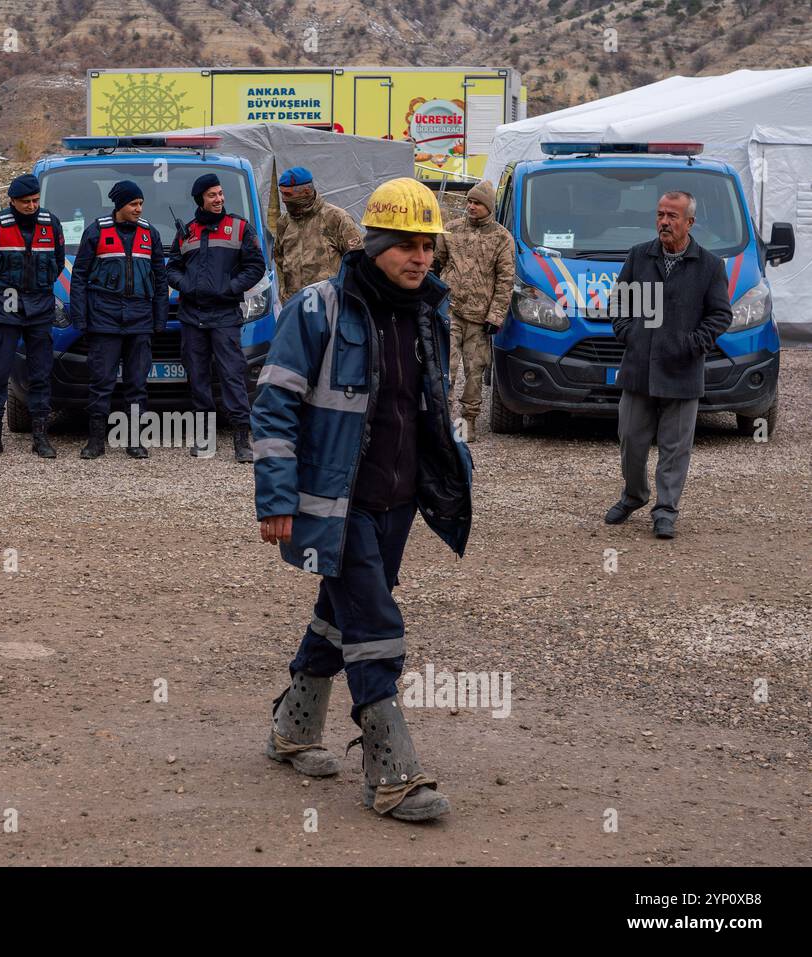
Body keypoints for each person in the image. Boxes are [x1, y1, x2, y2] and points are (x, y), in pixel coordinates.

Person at [253, 177, 472, 823]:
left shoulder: (431, 312)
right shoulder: (318, 309)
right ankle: (393, 774)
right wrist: (276, 498)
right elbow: (274, 406)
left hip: (398, 501)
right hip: (332, 504)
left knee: (341, 610)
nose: (419, 257)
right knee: (374, 623)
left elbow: (427, 407)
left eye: (427, 245)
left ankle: (292, 730)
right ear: (373, 242)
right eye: (405, 244)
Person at [604, 190, 732, 540]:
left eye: (672, 216)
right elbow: (619, 304)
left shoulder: (709, 266)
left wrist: (692, 345)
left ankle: (666, 511)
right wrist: (629, 334)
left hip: (682, 372)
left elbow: (720, 315)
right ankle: (634, 495)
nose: (664, 221)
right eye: (660, 214)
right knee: (631, 440)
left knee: (675, 449)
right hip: (638, 369)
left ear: (689, 222)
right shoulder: (639, 256)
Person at [167, 173, 266, 462]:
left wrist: (230, 288)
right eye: (212, 195)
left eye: (220, 194)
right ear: (200, 199)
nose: (219, 199)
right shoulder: (187, 232)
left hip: (224, 316)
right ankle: (204, 438)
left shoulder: (239, 228)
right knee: (197, 377)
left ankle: (241, 440)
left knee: (232, 376)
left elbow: (255, 266)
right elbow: (172, 268)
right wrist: (187, 285)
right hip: (192, 316)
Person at [69, 180, 167, 459]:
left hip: (139, 321)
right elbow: (79, 277)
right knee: (101, 382)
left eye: (140, 204)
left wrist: (159, 321)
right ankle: (96, 441)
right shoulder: (96, 231)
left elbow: (160, 281)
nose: (139, 209)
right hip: (104, 321)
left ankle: (135, 440)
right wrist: (81, 319)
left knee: (137, 384)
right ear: (119, 206)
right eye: (133, 204)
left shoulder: (150, 234)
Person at [0, 174, 63, 459]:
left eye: (36, 201)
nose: (32, 206)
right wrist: (5, 293)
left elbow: (58, 263)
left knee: (40, 373)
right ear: (12, 201)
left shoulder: (52, 225)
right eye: (26, 202)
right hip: (6, 310)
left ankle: (40, 437)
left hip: (39, 308)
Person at [433, 179, 513, 442]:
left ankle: (468, 422)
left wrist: (496, 316)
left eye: (477, 202)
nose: (471, 206)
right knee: (446, 367)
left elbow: (505, 280)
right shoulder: (451, 230)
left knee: (474, 372)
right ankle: (441, 422)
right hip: (451, 312)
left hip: (480, 320)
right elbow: (435, 264)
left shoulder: (502, 238)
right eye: (469, 201)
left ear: (489, 206)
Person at [273, 165, 363, 303]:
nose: (284, 199)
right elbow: (280, 260)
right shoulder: (283, 223)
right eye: (282, 193)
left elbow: (358, 261)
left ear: (307, 191)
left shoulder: (336, 218)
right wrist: (284, 296)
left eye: (288, 195)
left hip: (328, 304)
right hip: (294, 306)